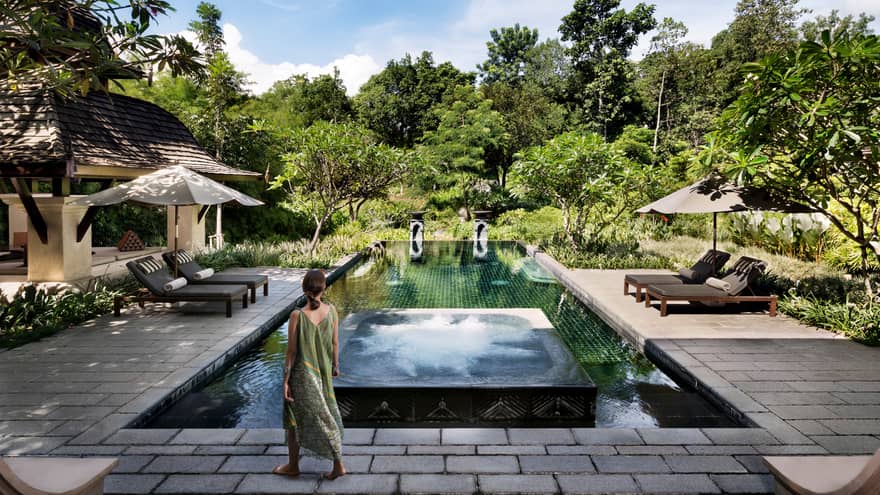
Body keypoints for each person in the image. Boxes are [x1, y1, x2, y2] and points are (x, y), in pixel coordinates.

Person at [273, 269, 345, 480]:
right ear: (324, 288)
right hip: (322, 373)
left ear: (304, 289)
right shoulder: (332, 311)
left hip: (302, 375)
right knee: (326, 415)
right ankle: (337, 465)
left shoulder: (297, 316)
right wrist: (335, 365)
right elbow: (335, 343)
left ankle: (293, 465)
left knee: (294, 418)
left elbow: (291, 352)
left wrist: (286, 380)